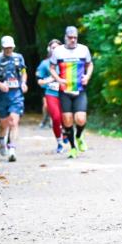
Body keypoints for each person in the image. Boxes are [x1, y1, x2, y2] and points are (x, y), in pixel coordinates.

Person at [49, 26, 93, 158]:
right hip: (64, 90)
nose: (73, 40)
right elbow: (51, 67)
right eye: (70, 37)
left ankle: (79, 136)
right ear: (65, 37)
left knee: (80, 118)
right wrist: (58, 79)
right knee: (67, 121)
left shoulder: (83, 49)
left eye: (75, 37)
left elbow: (90, 64)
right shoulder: (58, 51)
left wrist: (87, 76)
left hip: (80, 89)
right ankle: (73, 148)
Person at [0, 35, 28, 161]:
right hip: (2, 95)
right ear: (2, 47)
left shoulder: (19, 57)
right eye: (6, 48)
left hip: (16, 94)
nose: (8, 50)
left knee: (13, 121)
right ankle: (1, 140)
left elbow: (23, 72)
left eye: (10, 48)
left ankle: (12, 149)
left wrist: (23, 83)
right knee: (4, 123)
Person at [36, 39, 65, 154]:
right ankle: (59, 142)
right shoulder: (44, 64)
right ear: (49, 50)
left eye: (58, 47)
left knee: (66, 118)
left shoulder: (66, 61)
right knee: (56, 118)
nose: (55, 50)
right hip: (51, 93)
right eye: (53, 48)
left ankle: (66, 134)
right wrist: (49, 80)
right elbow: (39, 81)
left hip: (65, 93)